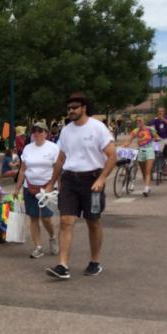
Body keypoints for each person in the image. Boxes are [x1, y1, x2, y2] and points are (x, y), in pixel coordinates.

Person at [46, 94, 117, 280]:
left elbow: (112, 156)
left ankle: (94, 262)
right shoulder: (66, 131)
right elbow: (61, 159)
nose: (71, 111)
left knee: (92, 222)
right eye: (68, 108)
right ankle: (63, 265)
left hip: (92, 181)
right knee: (65, 222)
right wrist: (51, 182)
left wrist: (102, 179)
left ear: (84, 108)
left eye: (75, 107)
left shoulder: (97, 128)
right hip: (69, 180)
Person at [13, 121, 59, 259]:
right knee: (33, 218)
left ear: (46, 133)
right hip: (29, 186)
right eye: (35, 131)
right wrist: (17, 188)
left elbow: (58, 169)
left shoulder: (53, 148)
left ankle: (52, 236)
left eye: (40, 131)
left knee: (46, 218)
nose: (37, 134)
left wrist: (56, 186)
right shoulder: (27, 148)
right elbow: (22, 169)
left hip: (47, 188)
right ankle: (38, 247)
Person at [123, 116, 159, 197]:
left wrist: (156, 139)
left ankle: (146, 188)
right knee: (143, 172)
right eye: (137, 121)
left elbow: (156, 137)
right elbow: (130, 139)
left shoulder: (150, 129)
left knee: (148, 170)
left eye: (140, 121)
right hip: (140, 151)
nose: (138, 122)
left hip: (149, 150)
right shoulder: (135, 130)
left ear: (143, 121)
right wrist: (126, 144)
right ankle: (148, 186)